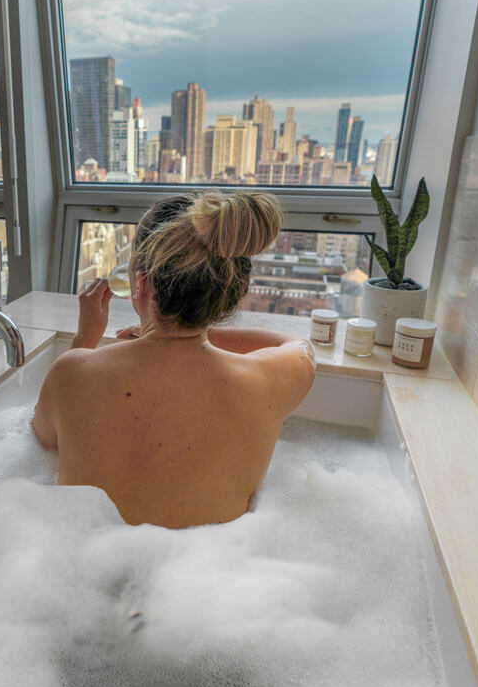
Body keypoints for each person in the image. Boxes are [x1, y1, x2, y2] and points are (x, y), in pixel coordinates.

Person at [32, 191, 315, 528]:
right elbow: (300, 345)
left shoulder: (72, 373)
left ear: (140, 284)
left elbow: (45, 440)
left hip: (79, 569)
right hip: (217, 571)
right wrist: (200, 331)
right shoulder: (268, 381)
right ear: (229, 295)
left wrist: (86, 339)